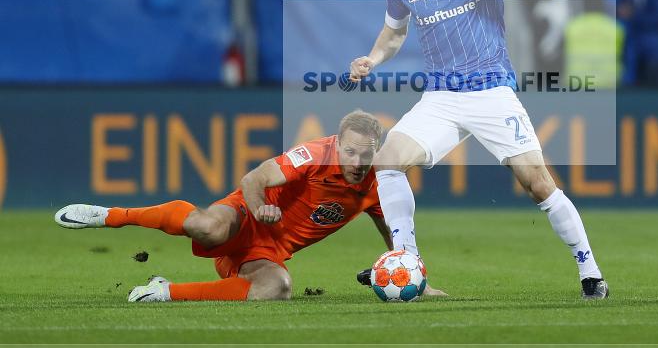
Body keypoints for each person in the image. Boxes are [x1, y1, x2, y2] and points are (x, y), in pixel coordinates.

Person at [348, 0, 608, 300]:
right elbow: (394, 34)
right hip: (440, 98)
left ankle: (591, 273)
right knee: (387, 161)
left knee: (538, 183)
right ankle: (406, 261)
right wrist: (372, 58)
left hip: (491, 93)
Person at [54, 110, 443, 302]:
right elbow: (253, 178)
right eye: (350, 152)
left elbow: (392, 225)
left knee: (279, 287)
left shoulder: (380, 180)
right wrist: (258, 207)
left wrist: (412, 273)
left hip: (266, 252)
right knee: (206, 226)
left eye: (366, 155)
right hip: (244, 216)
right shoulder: (313, 154)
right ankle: (108, 216)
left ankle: (166, 292)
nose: (357, 163)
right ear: (337, 144)